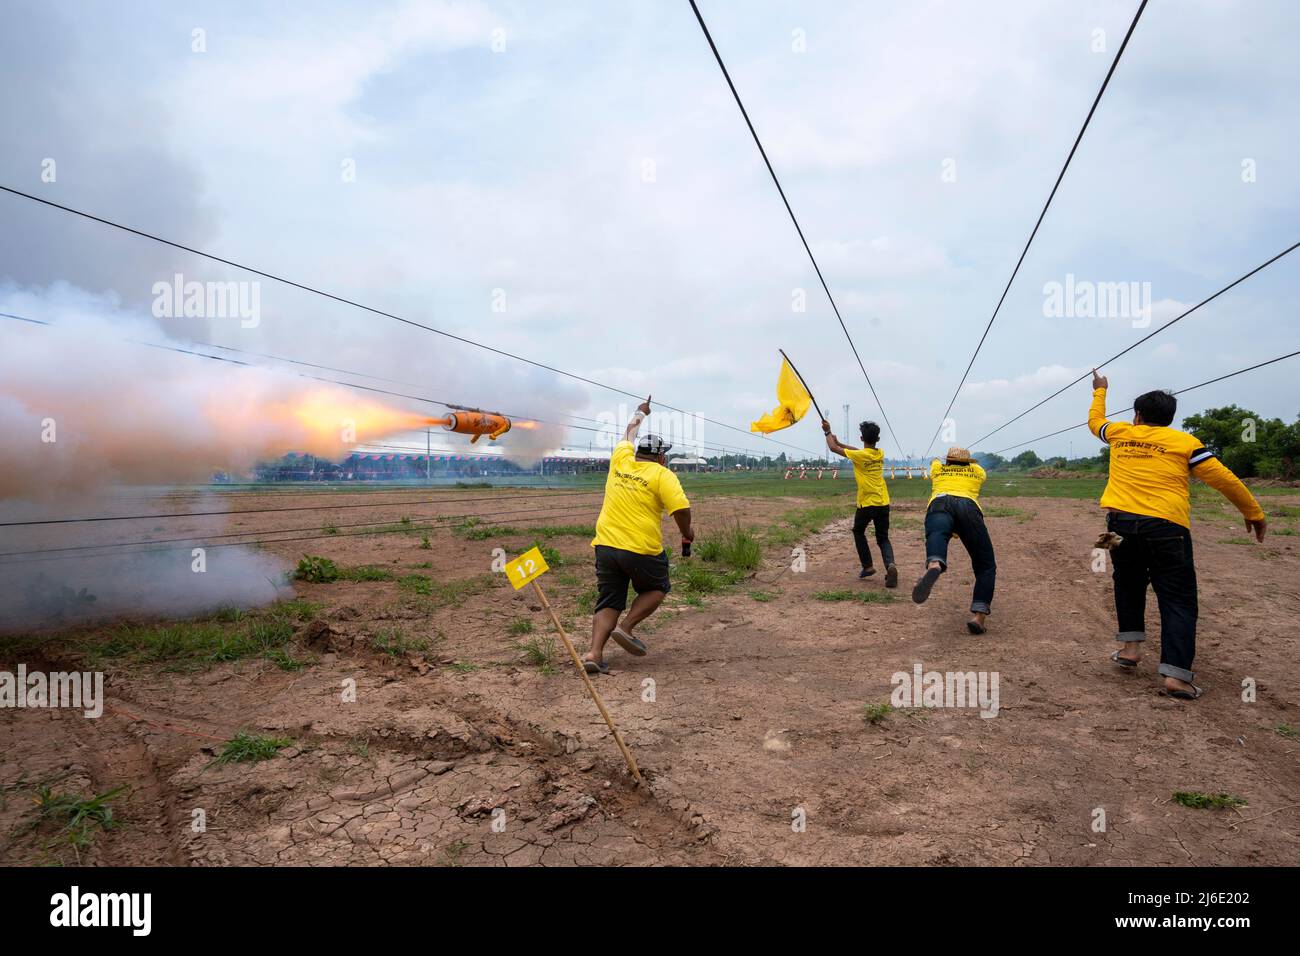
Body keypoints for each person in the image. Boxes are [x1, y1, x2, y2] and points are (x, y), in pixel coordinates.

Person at [1088, 369, 1266, 700]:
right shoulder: (1186, 443)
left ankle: (1130, 650)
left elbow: (1095, 420)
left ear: (1137, 415)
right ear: (1169, 419)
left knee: (1126, 583)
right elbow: (1224, 479)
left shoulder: (1119, 433)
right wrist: (1253, 513)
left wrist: (1100, 390)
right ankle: (1176, 676)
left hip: (1117, 525)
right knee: (1178, 598)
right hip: (1167, 528)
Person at [582, 396, 693, 675]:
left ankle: (594, 653)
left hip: (605, 545)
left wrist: (640, 412)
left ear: (636, 452)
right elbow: (680, 509)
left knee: (609, 599)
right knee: (657, 588)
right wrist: (687, 533)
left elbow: (628, 433)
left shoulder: (620, 459)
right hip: (641, 548)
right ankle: (627, 627)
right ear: (660, 457)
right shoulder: (662, 474)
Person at [911, 447, 995, 634]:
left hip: (940, 503)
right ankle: (979, 617)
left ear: (947, 461)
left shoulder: (938, 469)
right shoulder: (976, 472)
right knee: (985, 565)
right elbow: (981, 470)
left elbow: (933, 462)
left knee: (937, 534)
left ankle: (934, 564)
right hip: (968, 508)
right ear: (968, 463)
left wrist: (939, 460)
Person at [822, 419, 898, 587]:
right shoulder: (880, 454)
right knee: (883, 538)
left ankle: (868, 566)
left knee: (858, 532)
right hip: (883, 502)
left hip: (866, 504)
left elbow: (834, 449)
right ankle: (890, 565)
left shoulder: (860, 456)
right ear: (877, 439)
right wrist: (840, 442)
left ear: (861, 438)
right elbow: (856, 451)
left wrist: (827, 432)